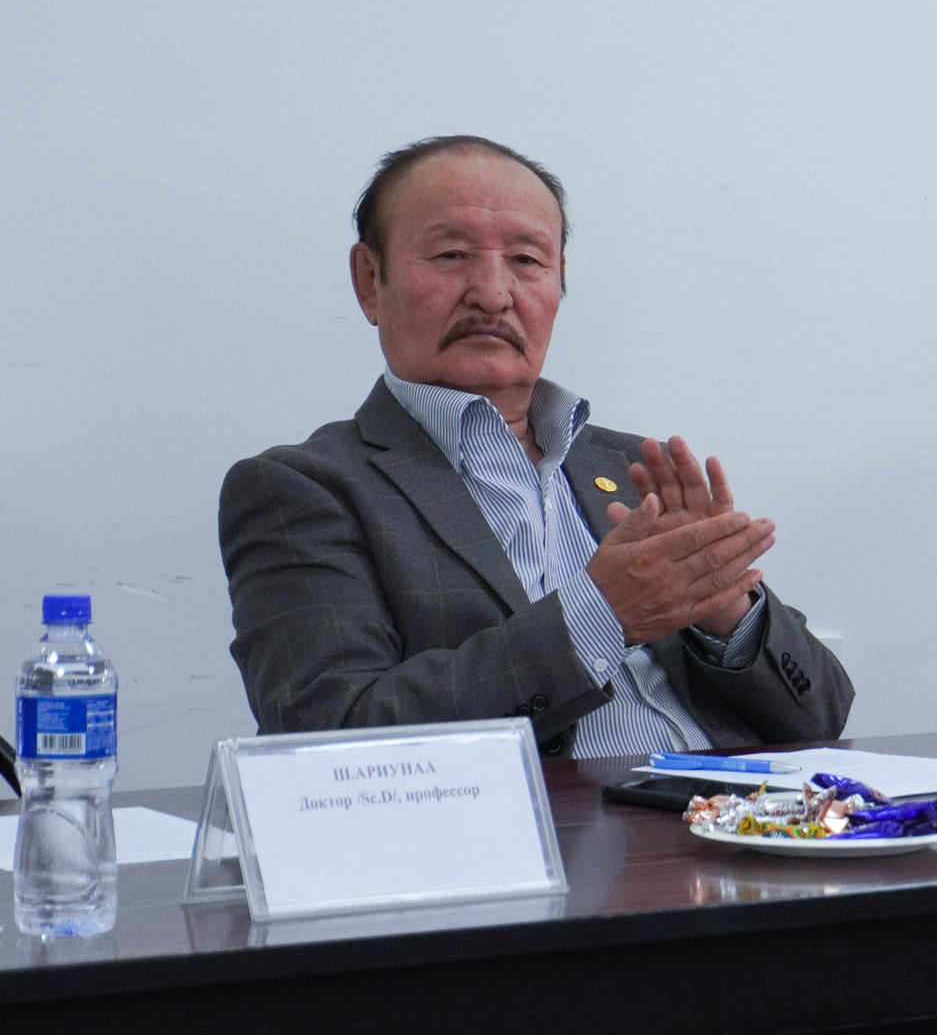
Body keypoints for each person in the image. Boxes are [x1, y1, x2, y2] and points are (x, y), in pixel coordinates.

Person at [220, 136, 852, 757]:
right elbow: (327, 737)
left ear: (559, 282)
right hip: (553, 821)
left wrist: (725, 608)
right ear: (369, 281)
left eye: (526, 261)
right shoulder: (304, 490)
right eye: (450, 255)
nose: (493, 295)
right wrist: (602, 613)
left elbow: (823, 717)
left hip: (743, 813)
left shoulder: (637, 468)